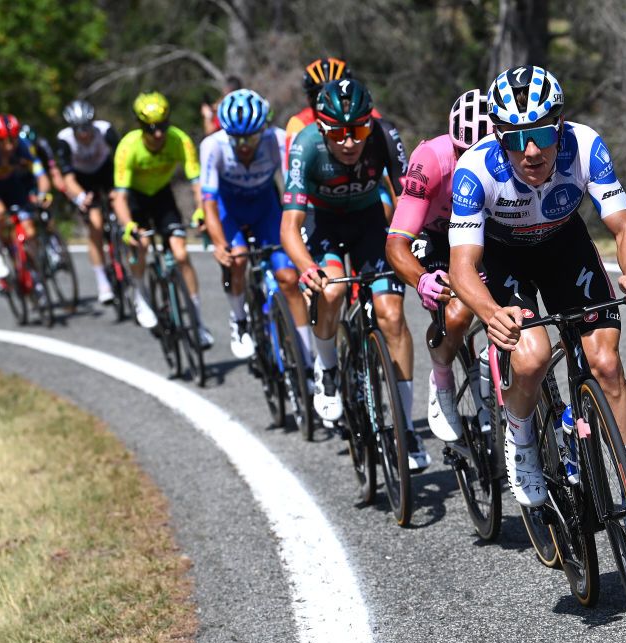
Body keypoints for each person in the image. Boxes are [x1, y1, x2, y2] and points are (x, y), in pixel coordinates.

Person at [448, 65, 626, 550]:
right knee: (529, 356)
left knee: (606, 364)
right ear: (498, 135)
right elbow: (463, 266)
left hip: (564, 247)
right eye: (516, 137)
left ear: (561, 125)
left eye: (542, 134)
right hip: (505, 257)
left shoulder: (587, 146)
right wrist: (490, 313)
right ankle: (521, 437)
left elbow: (625, 228)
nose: (531, 151)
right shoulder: (474, 170)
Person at [279, 78, 431, 470]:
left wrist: (411, 241)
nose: (350, 142)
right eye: (339, 133)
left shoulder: (384, 135)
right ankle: (327, 368)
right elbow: (289, 225)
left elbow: (405, 198)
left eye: (358, 130)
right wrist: (306, 268)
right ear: (322, 127)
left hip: (367, 223)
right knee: (328, 292)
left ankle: (405, 426)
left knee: (393, 315)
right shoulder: (307, 145)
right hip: (322, 223)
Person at [385, 89, 492, 443]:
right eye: (464, 153)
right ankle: (442, 380)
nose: (472, 161)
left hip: (482, 236)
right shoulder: (430, 159)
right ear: (452, 144)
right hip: (435, 238)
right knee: (458, 313)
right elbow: (397, 242)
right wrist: (422, 280)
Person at [200, 88, 311, 362]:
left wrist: (298, 229)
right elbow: (209, 202)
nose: (244, 145)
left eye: (251, 137)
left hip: (266, 207)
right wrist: (218, 243)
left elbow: (293, 190)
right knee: (237, 260)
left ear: (264, 128)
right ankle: (239, 320)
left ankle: (308, 357)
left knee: (288, 277)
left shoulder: (278, 140)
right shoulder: (212, 146)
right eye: (236, 138)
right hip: (230, 210)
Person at [113, 91, 212, 346]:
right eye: (151, 128)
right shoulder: (128, 147)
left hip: (161, 196)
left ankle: (197, 321)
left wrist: (200, 211)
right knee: (141, 245)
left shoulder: (179, 140)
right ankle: (140, 294)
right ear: (141, 126)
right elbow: (119, 198)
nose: (158, 134)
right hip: (135, 199)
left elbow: (196, 183)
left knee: (180, 254)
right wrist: (128, 226)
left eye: (163, 127)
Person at [285, 58, 395, 223]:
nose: (330, 99)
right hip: (321, 196)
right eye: (318, 94)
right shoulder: (298, 124)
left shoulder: (366, 115)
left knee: (385, 215)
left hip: (365, 186)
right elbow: (293, 177)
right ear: (309, 100)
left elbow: (390, 173)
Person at [0, 114, 52, 280]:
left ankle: (33, 270)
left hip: (12, 184)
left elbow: (41, 175)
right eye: (2, 141)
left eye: (12, 140)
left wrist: (43, 193)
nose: (8, 146)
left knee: (29, 229)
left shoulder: (24, 146)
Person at [56, 99, 121, 304]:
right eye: (79, 129)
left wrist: (120, 188)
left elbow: (122, 158)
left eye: (87, 127)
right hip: (82, 179)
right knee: (96, 224)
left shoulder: (105, 130)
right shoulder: (65, 140)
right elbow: (67, 178)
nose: (84, 133)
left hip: (105, 172)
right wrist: (81, 196)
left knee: (120, 206)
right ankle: (102, 281)